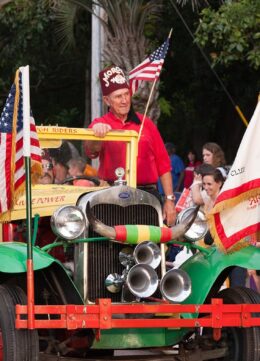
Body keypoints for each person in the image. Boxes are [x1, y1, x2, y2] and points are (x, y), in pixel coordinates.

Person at [85, 65, 176, 226]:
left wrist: (169, 200)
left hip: (147, 195)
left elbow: (163, 164)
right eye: (118, 96)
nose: (124, 100)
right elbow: (91, 151)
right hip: (111, 195)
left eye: (127, 94)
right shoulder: (100, 123)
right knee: (110, 245)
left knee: (149, 244)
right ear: (107, 100)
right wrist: (97, 134)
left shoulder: (145, 123)